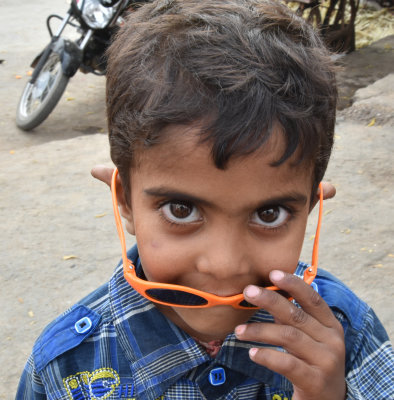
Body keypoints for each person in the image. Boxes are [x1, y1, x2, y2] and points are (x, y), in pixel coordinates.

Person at [16, 0, 393, 399]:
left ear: (311, 208)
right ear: (124, 201)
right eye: (182, 210)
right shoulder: (67, 369)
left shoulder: (346, 334)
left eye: (269, 213)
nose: (224, 266)